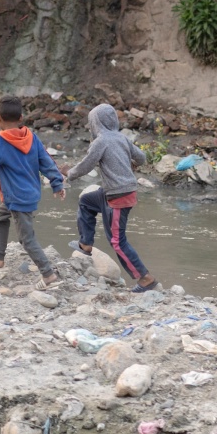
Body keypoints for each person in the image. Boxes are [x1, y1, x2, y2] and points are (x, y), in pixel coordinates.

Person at [0, 96, 65, 289]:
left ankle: (48, 275)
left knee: (27, 239)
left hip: (18, 199)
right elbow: (47, 162)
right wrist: (57, 183)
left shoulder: (0, 143)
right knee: (0, 217)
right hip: (25, 194)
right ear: (21, 118)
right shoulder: (32, 137)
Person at [63, 103, 158, 292]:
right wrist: (128, 163)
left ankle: (145, 278)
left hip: (118, 195)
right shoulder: (122, 138)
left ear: (96, 123)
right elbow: (141, 158)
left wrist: (69, 173)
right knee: (86, 201)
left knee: (117, 240)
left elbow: (86, 165)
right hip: (114, 191)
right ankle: (86, 244)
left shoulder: (101, 141)